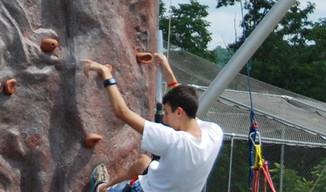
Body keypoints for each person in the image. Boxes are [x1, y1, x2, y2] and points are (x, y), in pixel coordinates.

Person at [81, 53, 224, 192]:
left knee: (137, 176)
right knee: (142, 163)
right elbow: (182, 99)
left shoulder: (173, 140)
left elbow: (121, 112)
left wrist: (106, 74)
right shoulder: (214, 132)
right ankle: (107, 187)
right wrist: (166, 69)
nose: (164, 119)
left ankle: (101, 189)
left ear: (180, 112)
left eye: (167, 113)